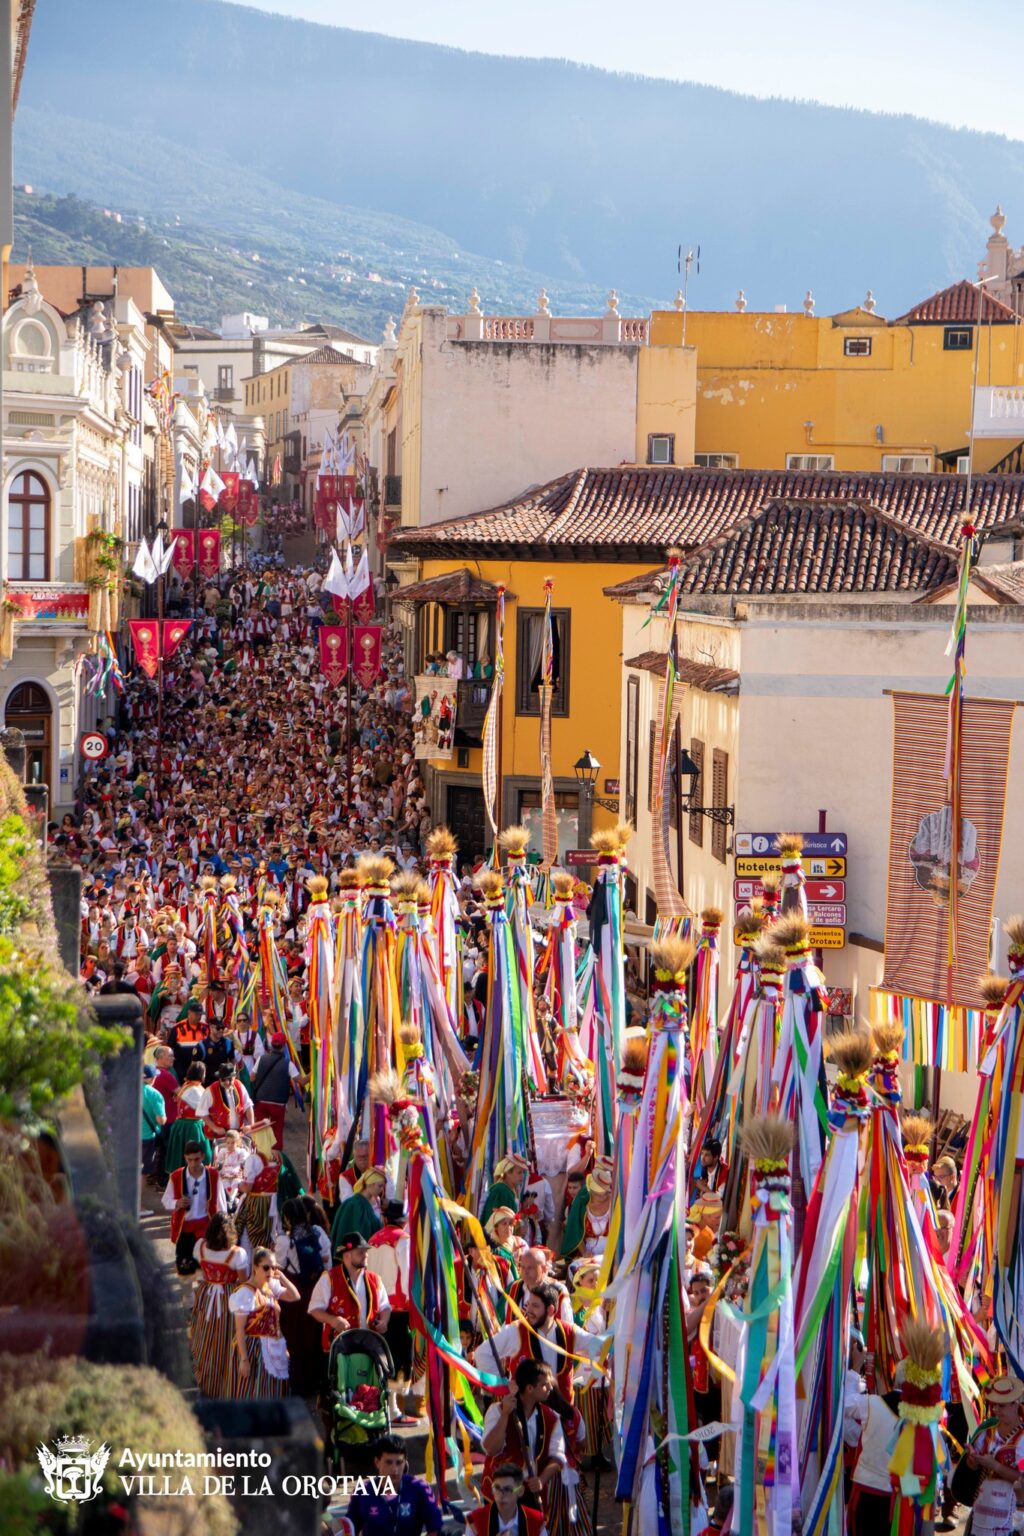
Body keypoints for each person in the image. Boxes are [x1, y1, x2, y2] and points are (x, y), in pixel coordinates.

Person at [480, 1359, 565, 1511]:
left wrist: (541, 1479)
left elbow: (557, 1457)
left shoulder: (551, 1418)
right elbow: (491, 1448)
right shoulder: (497, 1410)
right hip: (500, 1492)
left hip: (530, 1493)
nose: (551, 1388)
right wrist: (505, 1416)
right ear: (530, 1388)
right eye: (545, 1385)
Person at [367, 1200, 419, 1424]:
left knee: (382, 1354)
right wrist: (412, 1299)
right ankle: (394, 1408)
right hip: (398, 1305)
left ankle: (385, 1404)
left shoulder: (373, 1240)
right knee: (398, 1358)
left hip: (377, 1303)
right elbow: (407, 1271)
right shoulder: (402, 1239)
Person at [275, 1195, 332, 1396]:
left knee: (295, 1337)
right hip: (316, 1290)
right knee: (315, 1334)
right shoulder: (317, 1233)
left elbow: (279, 1269)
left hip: (295, 1295)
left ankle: (300, 1384)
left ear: (288, 1217)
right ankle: (319, 1380)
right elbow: (327, 1260)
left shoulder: (284, 1241)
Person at [190, 1211, 249, 1397]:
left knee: (205, 1338)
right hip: (228, 1299)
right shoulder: (237, 1254)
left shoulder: (200, 1246)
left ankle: (205, 1380)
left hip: (206, 1295)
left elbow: (200, 1271)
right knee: (225, 1340)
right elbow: (244, 1281)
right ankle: (225, 1383)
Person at [228, 1244, 300, 1398]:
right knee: (256, 1393)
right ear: (255, 1267)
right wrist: (244, 1359)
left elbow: (295, 1296)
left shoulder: (270, 1287)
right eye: (266, 1268)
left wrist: (283, 1277)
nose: (271, 1272)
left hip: (274, 1346)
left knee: (276, 1392)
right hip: (255, 1351)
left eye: (274, 1268)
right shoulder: (245, 1294)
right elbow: (239, 1331)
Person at [341, 1434, 443, 1535]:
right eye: (388, 1462)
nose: (395, 1469)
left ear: (405, 1463)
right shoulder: (362, 1491)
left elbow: (435, 1528)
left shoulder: (419, 1489)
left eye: (399, 1462)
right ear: (377, 1462)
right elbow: (349, 1528)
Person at [309, 1232, 392, 1352]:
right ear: (347, 1255)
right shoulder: (329, 1278)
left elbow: (385, 1307)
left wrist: (384, 1321)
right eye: (360, 1252)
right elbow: (315, 1309)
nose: (366, 1255)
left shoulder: (375, 1280)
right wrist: (333, 1320)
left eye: (366, 1251)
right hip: (340, 1347)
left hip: (370, 1345)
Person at [964, 1374, 1024, 1535]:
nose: (996, 1410)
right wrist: (973, 1461)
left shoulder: (1022, 1438)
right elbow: (974, 1469)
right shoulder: (987, 1433)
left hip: (1010, 1512)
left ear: (1015, 1405)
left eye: (1002, 1406)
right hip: (982, 1509)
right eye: (995, 1405)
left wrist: (995, 1465)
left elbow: (1022, 1479)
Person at [162, 1140, 226, 1275]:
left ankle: (199, 1294)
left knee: (204, 1267)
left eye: (196, 1159)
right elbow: (166, 1200)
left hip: (206, 1227)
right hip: (184, 1227)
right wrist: (177, 1203)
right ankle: (188, 1294)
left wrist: (222, 1226)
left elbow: (221, 1202)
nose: (193, 1164)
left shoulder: (213, 1175)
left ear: (202, 1156)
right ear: (185, 1158)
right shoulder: (176, 1176)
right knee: (184, 1268)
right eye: (189, 1160)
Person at [466, 1463, 547, 1536]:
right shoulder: (477, 1520)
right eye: (497, 1488)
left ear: (520, 1491)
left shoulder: (535, 1521)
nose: (501, 1495)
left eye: (508, 1489)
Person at [251, 1032, 300, 1150]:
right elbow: (301, 1081)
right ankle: (276, 1160)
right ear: (284, 1046)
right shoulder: (288, 1064)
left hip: (261, 1101)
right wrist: (313, 1072)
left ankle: (260, 1156)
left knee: (261, 1131)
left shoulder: (261, 1059)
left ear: (271, 1045)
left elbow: (252, 1077)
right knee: (276, 1132)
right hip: (278, 1104)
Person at [162, 1063, 213, 1176]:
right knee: (199, 1154)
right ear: (200, 1074)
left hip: (184, 1125)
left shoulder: (189, 1085)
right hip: (191, 1126)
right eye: (204, 1073)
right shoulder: (193, 1089)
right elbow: (204, 1108)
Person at [330, 1166, 386, 1255]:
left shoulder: (373, 1202)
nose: (382, 1190)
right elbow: (359, 1232)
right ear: (369, 1184)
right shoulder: (355, 1205)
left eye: (383, 1186)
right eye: (379, 1186)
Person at [481, 1154, 529, 1228]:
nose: (522, 1176)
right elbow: (491, 1220)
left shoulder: (510, 1190)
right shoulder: (500, 1190)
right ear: (508, 1173)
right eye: (519, 1172)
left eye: (523, 1173)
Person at [141, 1064, 167, 1184]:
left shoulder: (131, 1089)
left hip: (129, 1135)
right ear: (152, 1078)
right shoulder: (154, 1094)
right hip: (147, 1138)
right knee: (142, 1172)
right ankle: (138, 1201)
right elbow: (160, 1120)